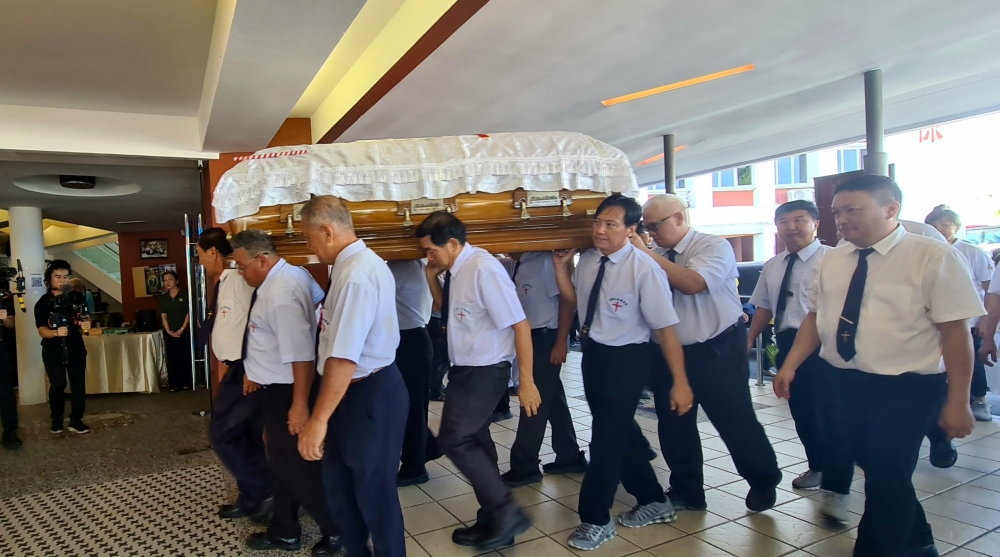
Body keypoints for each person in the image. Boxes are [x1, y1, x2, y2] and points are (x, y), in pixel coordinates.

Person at [774, 175, 981, 557]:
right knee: (882, 472)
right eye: (837, 212)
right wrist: (789, 365)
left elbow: (956, 334)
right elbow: (815, 318)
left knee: (886, 475)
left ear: (890, 209)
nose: (842, 219)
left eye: (853, 210)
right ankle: (918, 542)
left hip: (906, 387)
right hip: (843, 381)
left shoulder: (932, 256)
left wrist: (959, 400)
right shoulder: (833, 258)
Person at [552, 194, 693, 551]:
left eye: (610, 224)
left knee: (605, 440)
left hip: (628, 358)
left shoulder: (644, 269)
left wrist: (680, 382)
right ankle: (653, 499)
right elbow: (575, 301)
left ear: (632, 229)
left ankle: (595, 519)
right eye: (597, 222)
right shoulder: (588, 260)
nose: (599, 230)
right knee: (620, 434)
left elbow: (666, 329)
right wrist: (560, 270)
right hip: (594, 353)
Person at [634, 194, 782, 513]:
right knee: (674, 425)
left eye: (654, 225)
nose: (651, 233)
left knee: (734, 419)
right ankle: (688, 491)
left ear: (678, 218)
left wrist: (646, 254)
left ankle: (763, 478)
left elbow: (693, 283)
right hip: (669, 353)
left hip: (716, 348)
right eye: (645, 227)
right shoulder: (653, 254)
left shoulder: (712, 246)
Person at [416, 211, 540, 550]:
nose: (429, 257)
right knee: (478, 440)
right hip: (464, 369)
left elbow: (520, 325)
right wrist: (431, 277)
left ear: (453, 243)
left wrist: (525, 381)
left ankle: (505, 510)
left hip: (486, 370)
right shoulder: (456, 270)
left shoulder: (484, 270)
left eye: (431, 251)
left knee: (454, 438)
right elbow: (448, 309)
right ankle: (494, 519)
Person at [297, 196, 409, 557]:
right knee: (340, 488)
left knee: (374, 493)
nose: (309, 247)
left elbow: (344, 358)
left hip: (367, 394)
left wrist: (318, 419)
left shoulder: (356, 274)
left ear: (327, 232)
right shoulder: (347, 267)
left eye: (309, 238)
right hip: (348, 393)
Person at [230, 230, 342, 556]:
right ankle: (284, 529)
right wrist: (256, 366)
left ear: (262, 259)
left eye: (241, 265)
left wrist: (298, 405)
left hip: (289, 389)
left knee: (295, 465)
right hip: (276, 385)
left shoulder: (280, 293)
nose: (240, 272)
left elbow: (301, 354)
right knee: (280, 462)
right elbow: (319, 303)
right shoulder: (294, 274)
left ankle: (338, 531)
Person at [747, 201, 833, 490]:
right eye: (784, 221)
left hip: (827, 343)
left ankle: (838, 462)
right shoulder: (773, 265)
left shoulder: (834, 260)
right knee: (802, 409)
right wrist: (748, 340)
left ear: (816, 223)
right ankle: (819, 465)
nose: (791, 227)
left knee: (830, 407)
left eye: (799, 220)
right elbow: (764, 307)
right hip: (787, 342)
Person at [196, 228, 273, 524]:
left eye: (202, 255)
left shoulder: (240, 281)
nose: (201, 262)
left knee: (222, 435)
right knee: (245, 434)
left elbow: (259, 322)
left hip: (246, 369)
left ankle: (264, 490)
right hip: (238, 367)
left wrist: (252, 368)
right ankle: (253, 495)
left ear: (213, 252)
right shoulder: (225, 281)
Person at [500, 252, 587, 487]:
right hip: (530, 337)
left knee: (533, 402)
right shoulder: (517, 263)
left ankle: (524, 466)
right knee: (552, 399)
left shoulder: (545, 260)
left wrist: (561, 342)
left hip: (546, 337)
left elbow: (567, 302)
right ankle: (569, 455)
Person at [925, 205, 994, 422]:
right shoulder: (925, 250)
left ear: (956, 227)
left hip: (969, 319)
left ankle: (980, 399)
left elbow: (989, 288)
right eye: (934, 225)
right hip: (934, 320)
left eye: (945, 224)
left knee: (971, 360)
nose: (940, 229)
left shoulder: (972, 252)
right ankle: (944, 402)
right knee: (940, 363)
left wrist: (984, 319)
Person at [388, 259, 444, 487]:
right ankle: (428, 447)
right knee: (412, 405)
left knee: (410, 407)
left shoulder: (400, 266)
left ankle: (415, 467)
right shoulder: (418, 265)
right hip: (416, 337)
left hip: (409, 341)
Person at [35, 260, 90, 435]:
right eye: (57, 277)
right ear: (49, 279)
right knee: (58, 383)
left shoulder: (77, 297)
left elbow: (85, 318)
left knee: (78, 384)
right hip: (53, 349)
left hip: (74, 346)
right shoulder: (42, 303)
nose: (62, 281)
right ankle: (56, 419)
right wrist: (56, 333)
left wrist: (86, 323)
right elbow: (42, 331)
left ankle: (76, 420)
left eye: (65, 277)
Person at [159, 271, 192, 392]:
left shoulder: (184, 294)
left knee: (185, 356)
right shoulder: (164, 298)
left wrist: (182, 329)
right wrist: (168, 331)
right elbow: (164, 316)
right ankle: (174, 384)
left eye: (170, 279)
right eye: (165, 280)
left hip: (184, 331)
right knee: (172, 358)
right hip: (170, 333)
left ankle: (186, 382)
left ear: (176, 281)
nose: (167, 282)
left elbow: (189, 313)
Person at [1, 293, 20, 449]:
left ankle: (10, 431)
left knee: (6, 391)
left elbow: (10, 324)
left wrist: (4, 317)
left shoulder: (3, 298)